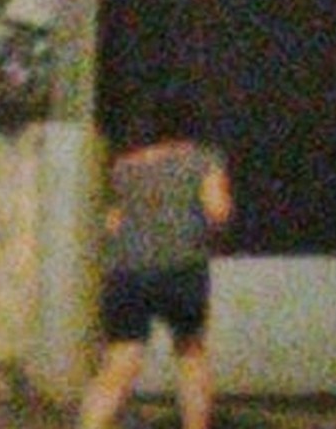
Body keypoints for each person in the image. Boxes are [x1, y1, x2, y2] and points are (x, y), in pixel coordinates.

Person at [77, 92, 232, 429]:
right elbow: (218, 211)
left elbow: (112, 222)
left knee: (119, 363)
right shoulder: (204, 160)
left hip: (127, 273)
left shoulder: (125, 166)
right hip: (181, 268)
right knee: (190, 354)